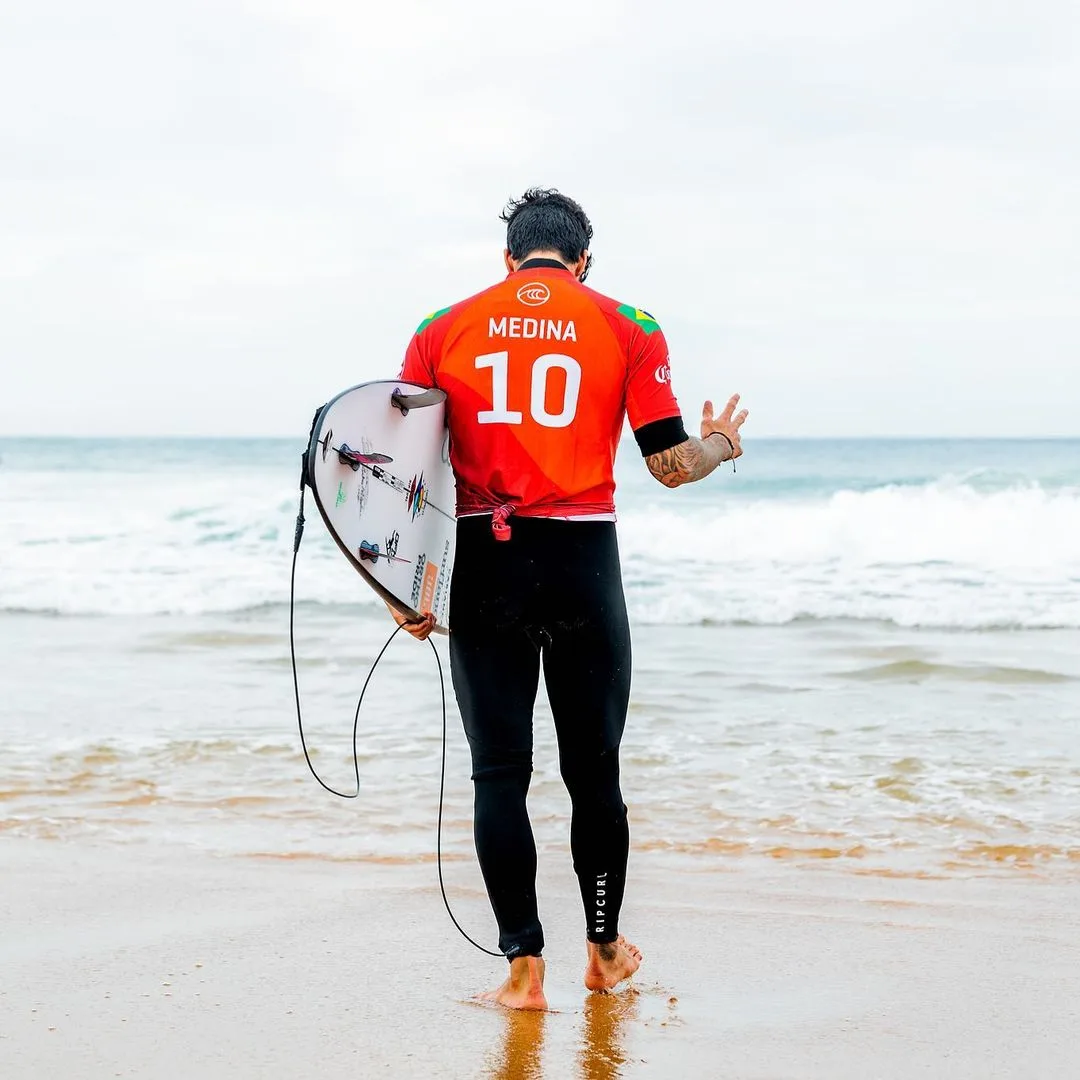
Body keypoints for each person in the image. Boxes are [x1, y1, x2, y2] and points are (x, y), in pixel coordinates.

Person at [391, 188, 748, 1010]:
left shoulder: (440, 328)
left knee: (498, 776)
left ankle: (523, 973)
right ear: (583, 260)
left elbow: (402, 475)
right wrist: (722, 445)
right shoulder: (630, 323)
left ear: (508, 258)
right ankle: (604, 952)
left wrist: (405, 589)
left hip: (489, 561)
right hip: (585, 562)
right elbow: (667, 463)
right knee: (594, 775)